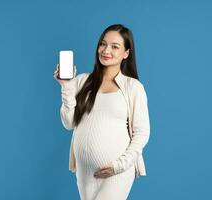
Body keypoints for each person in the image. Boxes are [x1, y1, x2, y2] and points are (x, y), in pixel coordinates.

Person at [53, 24, 150, 200]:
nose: (106, 50)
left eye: (115, 46)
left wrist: (119, 165)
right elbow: (68, 123)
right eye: (102, 44)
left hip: (116, 171)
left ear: (126, 53)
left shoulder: (132, 87)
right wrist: (66, 86)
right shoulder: (82, 81)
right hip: (85, 172)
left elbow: (142, 133)